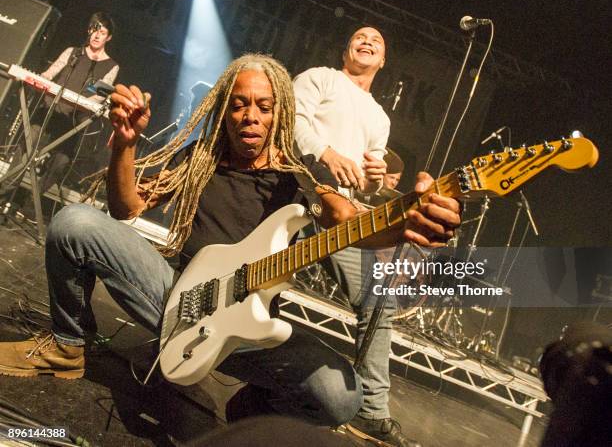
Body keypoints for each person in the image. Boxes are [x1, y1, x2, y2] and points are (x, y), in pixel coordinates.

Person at [0, 55, 460, 430]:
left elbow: (344, 217)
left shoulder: (297, 176)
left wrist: (406, 221)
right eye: (239, 105)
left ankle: (250, 412)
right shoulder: (201, 157)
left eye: (263, 106)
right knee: (76, 222)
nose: (250, 116)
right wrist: (125, 144)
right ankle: (66, 345)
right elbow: (125, 208)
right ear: (224, 108)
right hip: (176, 301)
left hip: (246, 334)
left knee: (341, 396)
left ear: (280, 111)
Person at [293, 27, 418, 446]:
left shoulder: (380, 118)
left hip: (341, 216)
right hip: (295, 197)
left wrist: (374, 181)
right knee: (254, 280)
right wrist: (326, 154)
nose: (367, 41)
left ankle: (370, 411)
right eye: (359, 37)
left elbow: (367, 182)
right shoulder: (320, 78)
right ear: (346, 48)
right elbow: (290, 123)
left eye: (377, 41)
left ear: (382, 61)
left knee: (379, 295)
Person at [0, 12, 119, 216]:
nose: (96, 36)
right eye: (93, 30)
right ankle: (3, 197)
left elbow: (97, 98)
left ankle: (26, 205)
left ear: (108, 37)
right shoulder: (73, 53)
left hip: (72, 122)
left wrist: (79, 102)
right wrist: (39, 80)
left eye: (102, 32)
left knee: (60, 164)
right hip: (49, 110)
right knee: (25, 153)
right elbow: (49, 73)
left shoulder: (111, 66)